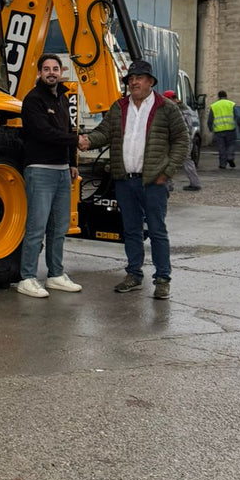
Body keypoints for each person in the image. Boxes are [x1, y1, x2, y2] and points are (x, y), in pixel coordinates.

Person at [77, 58, 188, 299]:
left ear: (150, 82)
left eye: (138, 78)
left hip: (153, 181)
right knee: (131, 230)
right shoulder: (119, 107)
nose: (134, 82)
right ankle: (134, 275)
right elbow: (104, 133)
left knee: (157, 230)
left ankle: (162, 279)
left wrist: (167, 172)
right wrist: (86, 141)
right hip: (124, 180)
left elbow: (182, 140)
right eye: (130, 79)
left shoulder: (165, 107)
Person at [15, 52, 82, 298]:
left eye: (55, 68)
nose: (52, 72)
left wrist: (72, 161)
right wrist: (76, 141)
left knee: (58, 228)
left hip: (63, 173)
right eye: (47, 69)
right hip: (40, 171)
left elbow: (68, 130)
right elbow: (44, 133)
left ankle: (55, 275)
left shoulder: (63, 99)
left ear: (61, 72)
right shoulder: (32, 100)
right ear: (40, 73)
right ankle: (27, 278)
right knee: (36, 227)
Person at [163, 90, 202, 191]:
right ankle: (194, 183)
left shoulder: (176, 109)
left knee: (171, 161)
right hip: (185, 138)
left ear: (171, 98)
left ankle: (168, 185)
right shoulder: (185, 108)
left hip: (179, 139)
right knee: (186, 161)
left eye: (166, 99)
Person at [208, 90, 240, 169]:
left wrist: (210, 128)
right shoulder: (231, 104)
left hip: (219, 130)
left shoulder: (214, 106)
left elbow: (210, 119)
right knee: (231, 145)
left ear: (218, 97)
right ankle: (230, 157)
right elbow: (238, 116)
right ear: (226, 96)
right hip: (230, 129)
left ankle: (222, 164)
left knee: (221, 147)